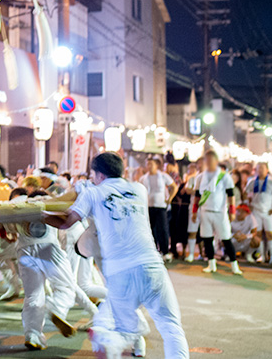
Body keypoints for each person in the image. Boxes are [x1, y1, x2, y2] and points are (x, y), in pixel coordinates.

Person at [44, 152, 189, 359]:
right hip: (152, 266)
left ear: (99, 174)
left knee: (115, 329)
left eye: (93, 175)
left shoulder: (93, 193)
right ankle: (114, 340)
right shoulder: (139, 189)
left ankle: (110, 342)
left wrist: (39, 215)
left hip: (121, 273)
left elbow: (66, 221)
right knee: (172, 327)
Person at [15, 195, 99, 350]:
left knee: (33, 294)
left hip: (24, 250)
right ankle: (57, 309)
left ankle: (32, 335)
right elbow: (64, 223)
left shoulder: (16, 205)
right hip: (49, 248)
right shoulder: (50, 202)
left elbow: (7, 230)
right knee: (66, 286)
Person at [191, 151, 242, 275]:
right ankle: (211, 264)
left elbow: (231, 195)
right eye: (206, 160)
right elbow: (197, 196)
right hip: (205, 211)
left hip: (220, 212)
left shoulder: (224, 176)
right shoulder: (200, 177)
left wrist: (232, 211)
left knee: (226, 238)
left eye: (211, 160)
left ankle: (234, 265)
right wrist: (194, 211)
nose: (208, 162)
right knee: (207, 239)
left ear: (216, 161)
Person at [243, 162, 272, 265]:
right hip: (256, 211)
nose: (260, 170)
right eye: (258, 168)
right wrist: (248, 203)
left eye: (262, 168)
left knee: (271, 234)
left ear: (267, 170)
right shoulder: (252, 181)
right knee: (258, 234)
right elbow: (245, 193)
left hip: (268, 212)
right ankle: (261, 255)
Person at [167, 160, 190, 260]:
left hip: (173, 204)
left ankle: (173, 249)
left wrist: (170, 198)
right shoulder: (166, 175)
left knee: (173, 227)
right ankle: (171, 249)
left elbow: (176, 190)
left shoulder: (174, 175)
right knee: (170, 228)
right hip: (170, 204)